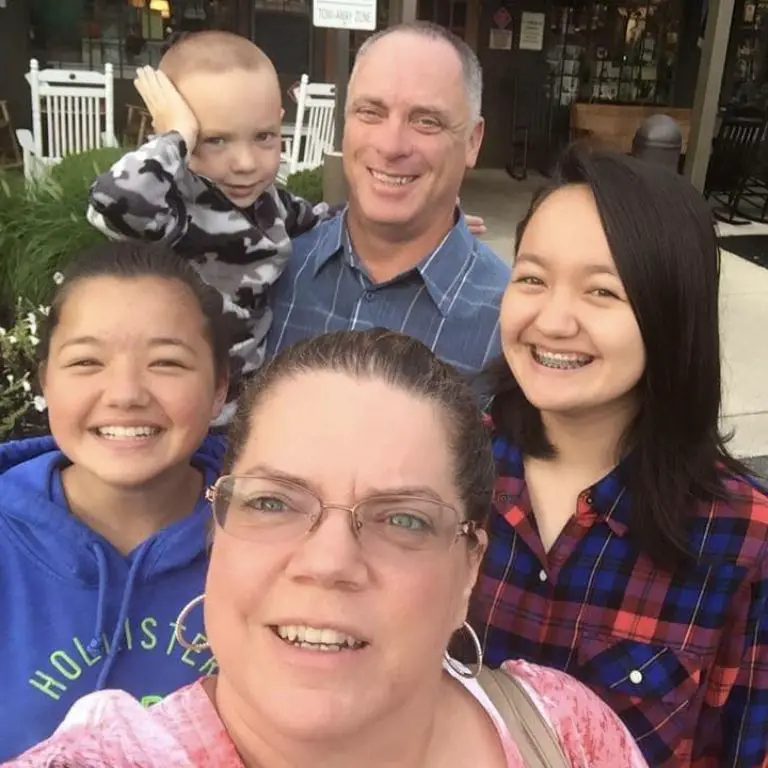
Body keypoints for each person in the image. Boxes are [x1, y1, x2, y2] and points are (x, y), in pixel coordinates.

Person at [7, 329, 648, 767]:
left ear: (468, 570)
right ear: (216, 530)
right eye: (272, 503)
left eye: (402, 520)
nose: (327, 563)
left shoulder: (568, 733)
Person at [467, 148, 768, 767]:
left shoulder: (744, 538)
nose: (552, 319)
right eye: (531, 278)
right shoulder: (440, 466)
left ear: (670, 314)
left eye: (602, 291)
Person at [86, 30, 488, 419]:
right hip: (185, 418)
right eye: (213, 140)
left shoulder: (273, 209)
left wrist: (434, 220)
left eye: (427, 121)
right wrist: (174, 135)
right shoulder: (178, 213)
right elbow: (116, 200)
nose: (244, 163)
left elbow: (323, 214)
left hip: (235, 417)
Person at [0, 242, 230, 760]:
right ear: (45, 383)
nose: (125, 393)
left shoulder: (272, 541)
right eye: (86, 361)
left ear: (219, 389)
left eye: (166, 362)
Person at [266, 23, 510, 392]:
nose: (392, 144)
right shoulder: (267, 271)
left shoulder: (510, 325)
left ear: (473, 141)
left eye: (426, 121)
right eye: (370, 112)